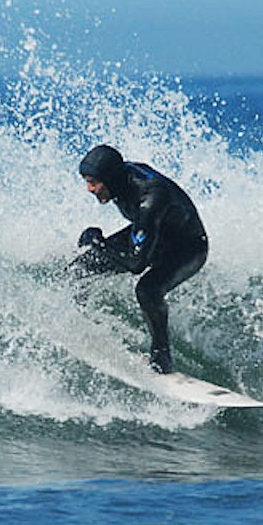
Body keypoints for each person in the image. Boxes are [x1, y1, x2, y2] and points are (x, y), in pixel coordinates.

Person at [72, 144, 207, 374]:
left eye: (93, 182)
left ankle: (161, 358)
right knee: (81, 269)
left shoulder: (150, 196)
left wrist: (100, 243)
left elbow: (137, 264)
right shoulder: (119, 179)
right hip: (155, 231)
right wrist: (100, 247)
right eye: (86, 181)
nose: (89, 189)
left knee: (148, 290)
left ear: (111, 179)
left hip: (187, 246)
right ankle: (79, 322)